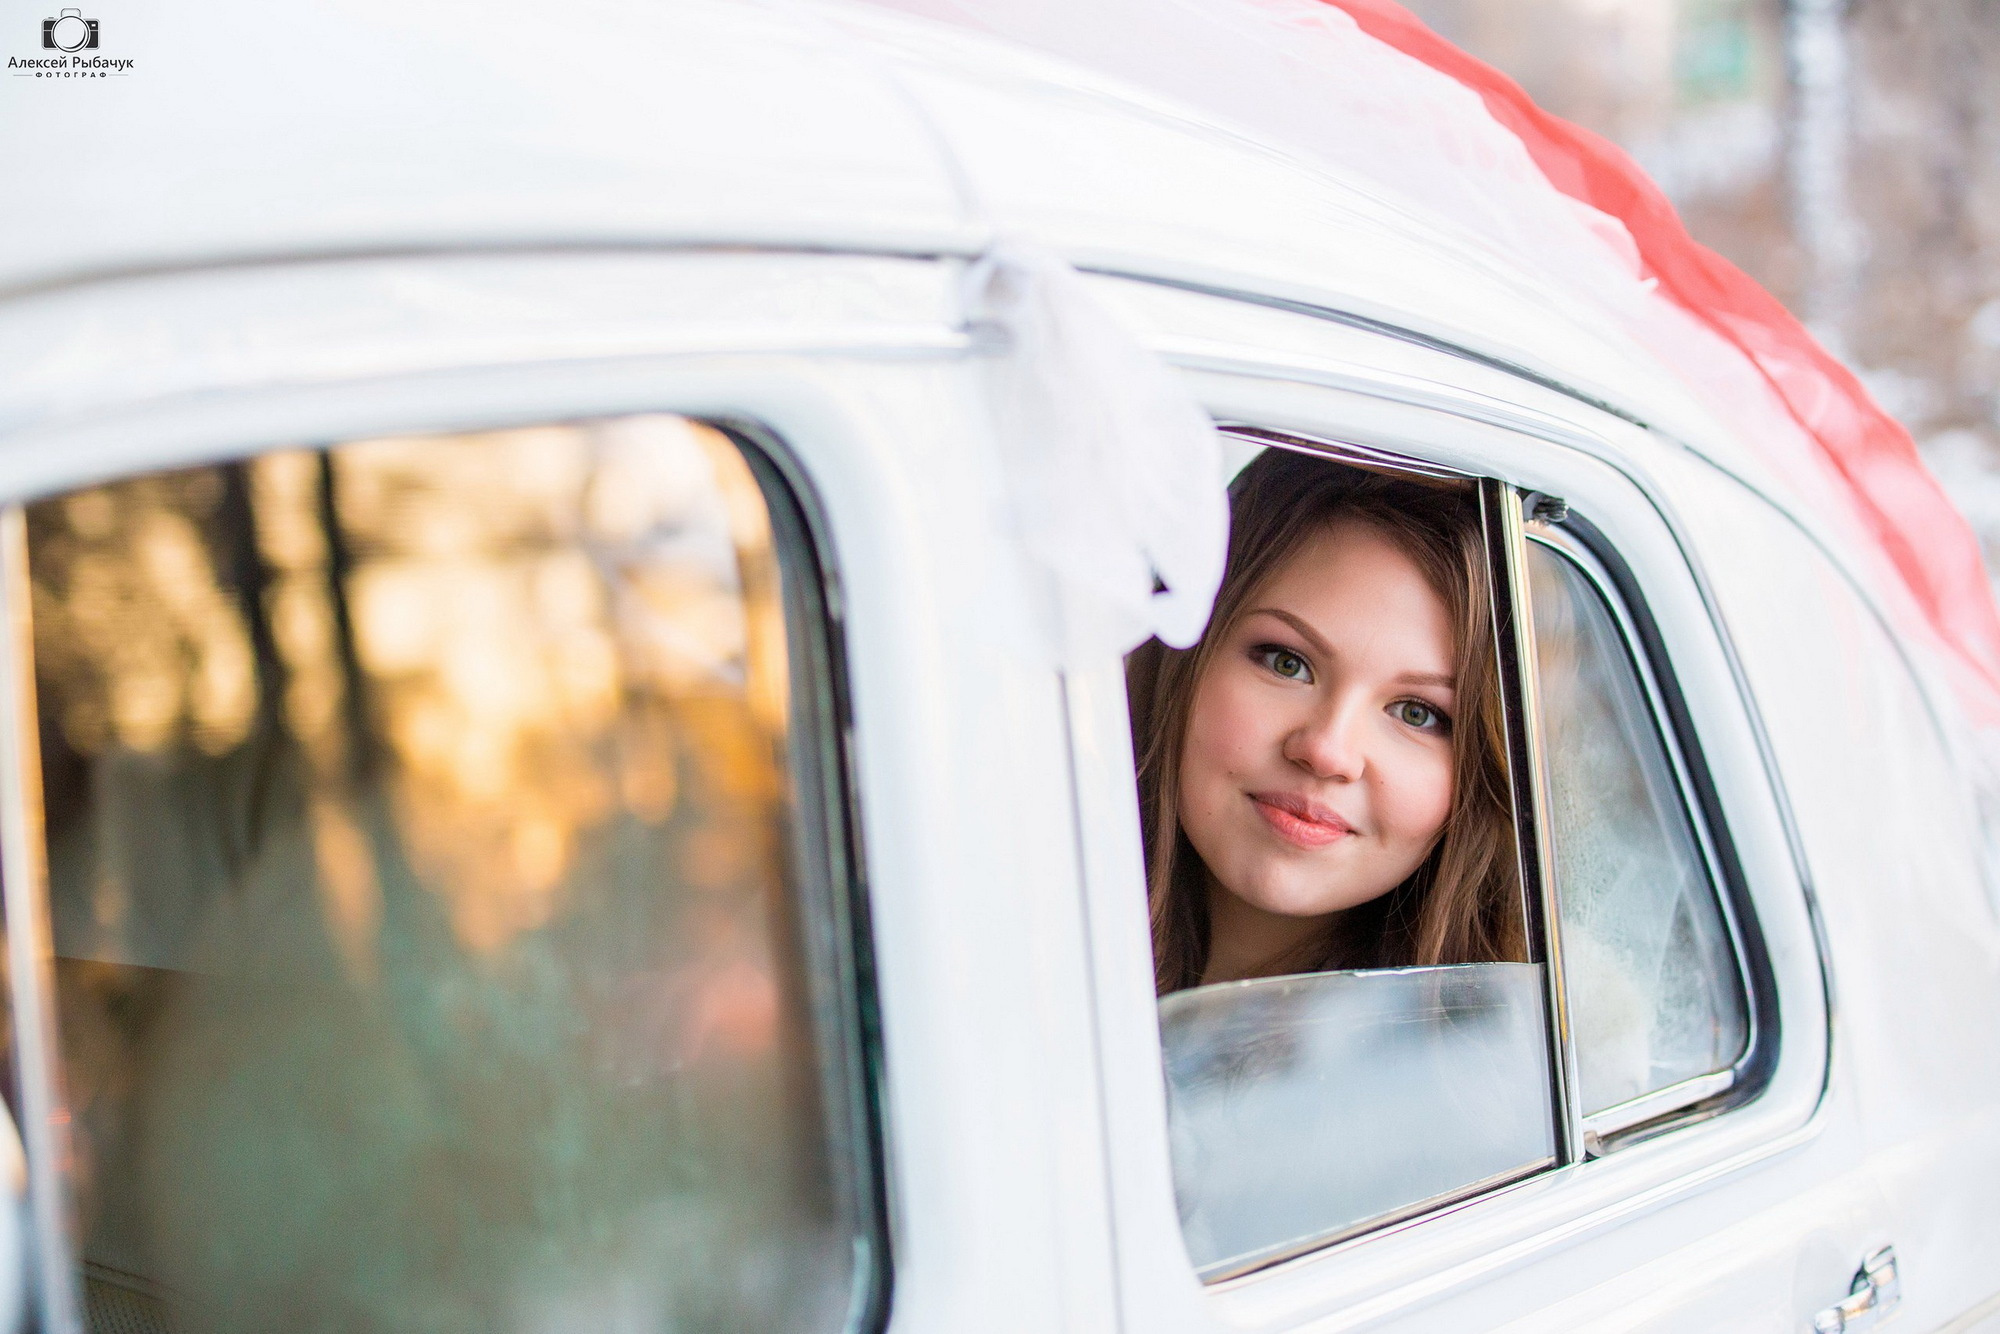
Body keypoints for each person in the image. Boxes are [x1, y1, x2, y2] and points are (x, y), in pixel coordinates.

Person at [1127, 448, 1523, 993]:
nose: (1327, 751)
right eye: (1287, 664)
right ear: (1185, 656)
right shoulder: (996, 910)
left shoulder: (1503, 1064)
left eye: (1417, 713)